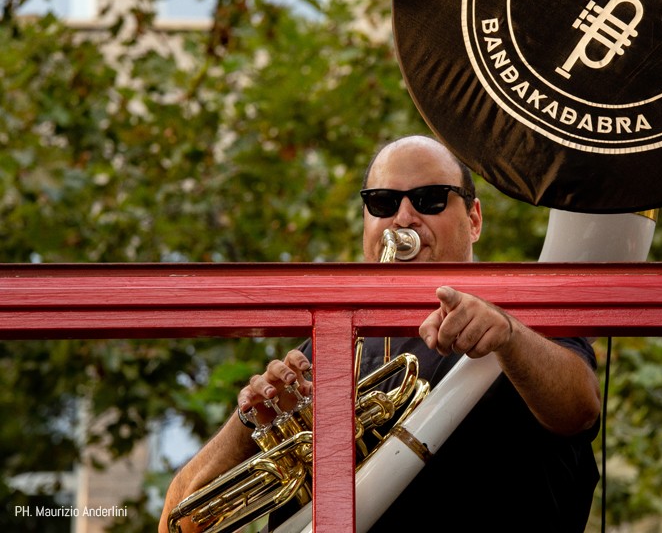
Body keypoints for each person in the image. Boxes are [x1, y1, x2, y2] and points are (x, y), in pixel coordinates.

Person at [159, 135, 602, 532]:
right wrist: (252, 422)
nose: (403, 219)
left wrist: (507, 335)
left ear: (474, 220)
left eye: (429, 199)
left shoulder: (520, 316)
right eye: (382, 203)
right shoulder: (326, 344)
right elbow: (180, 520)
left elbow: (579, 408)